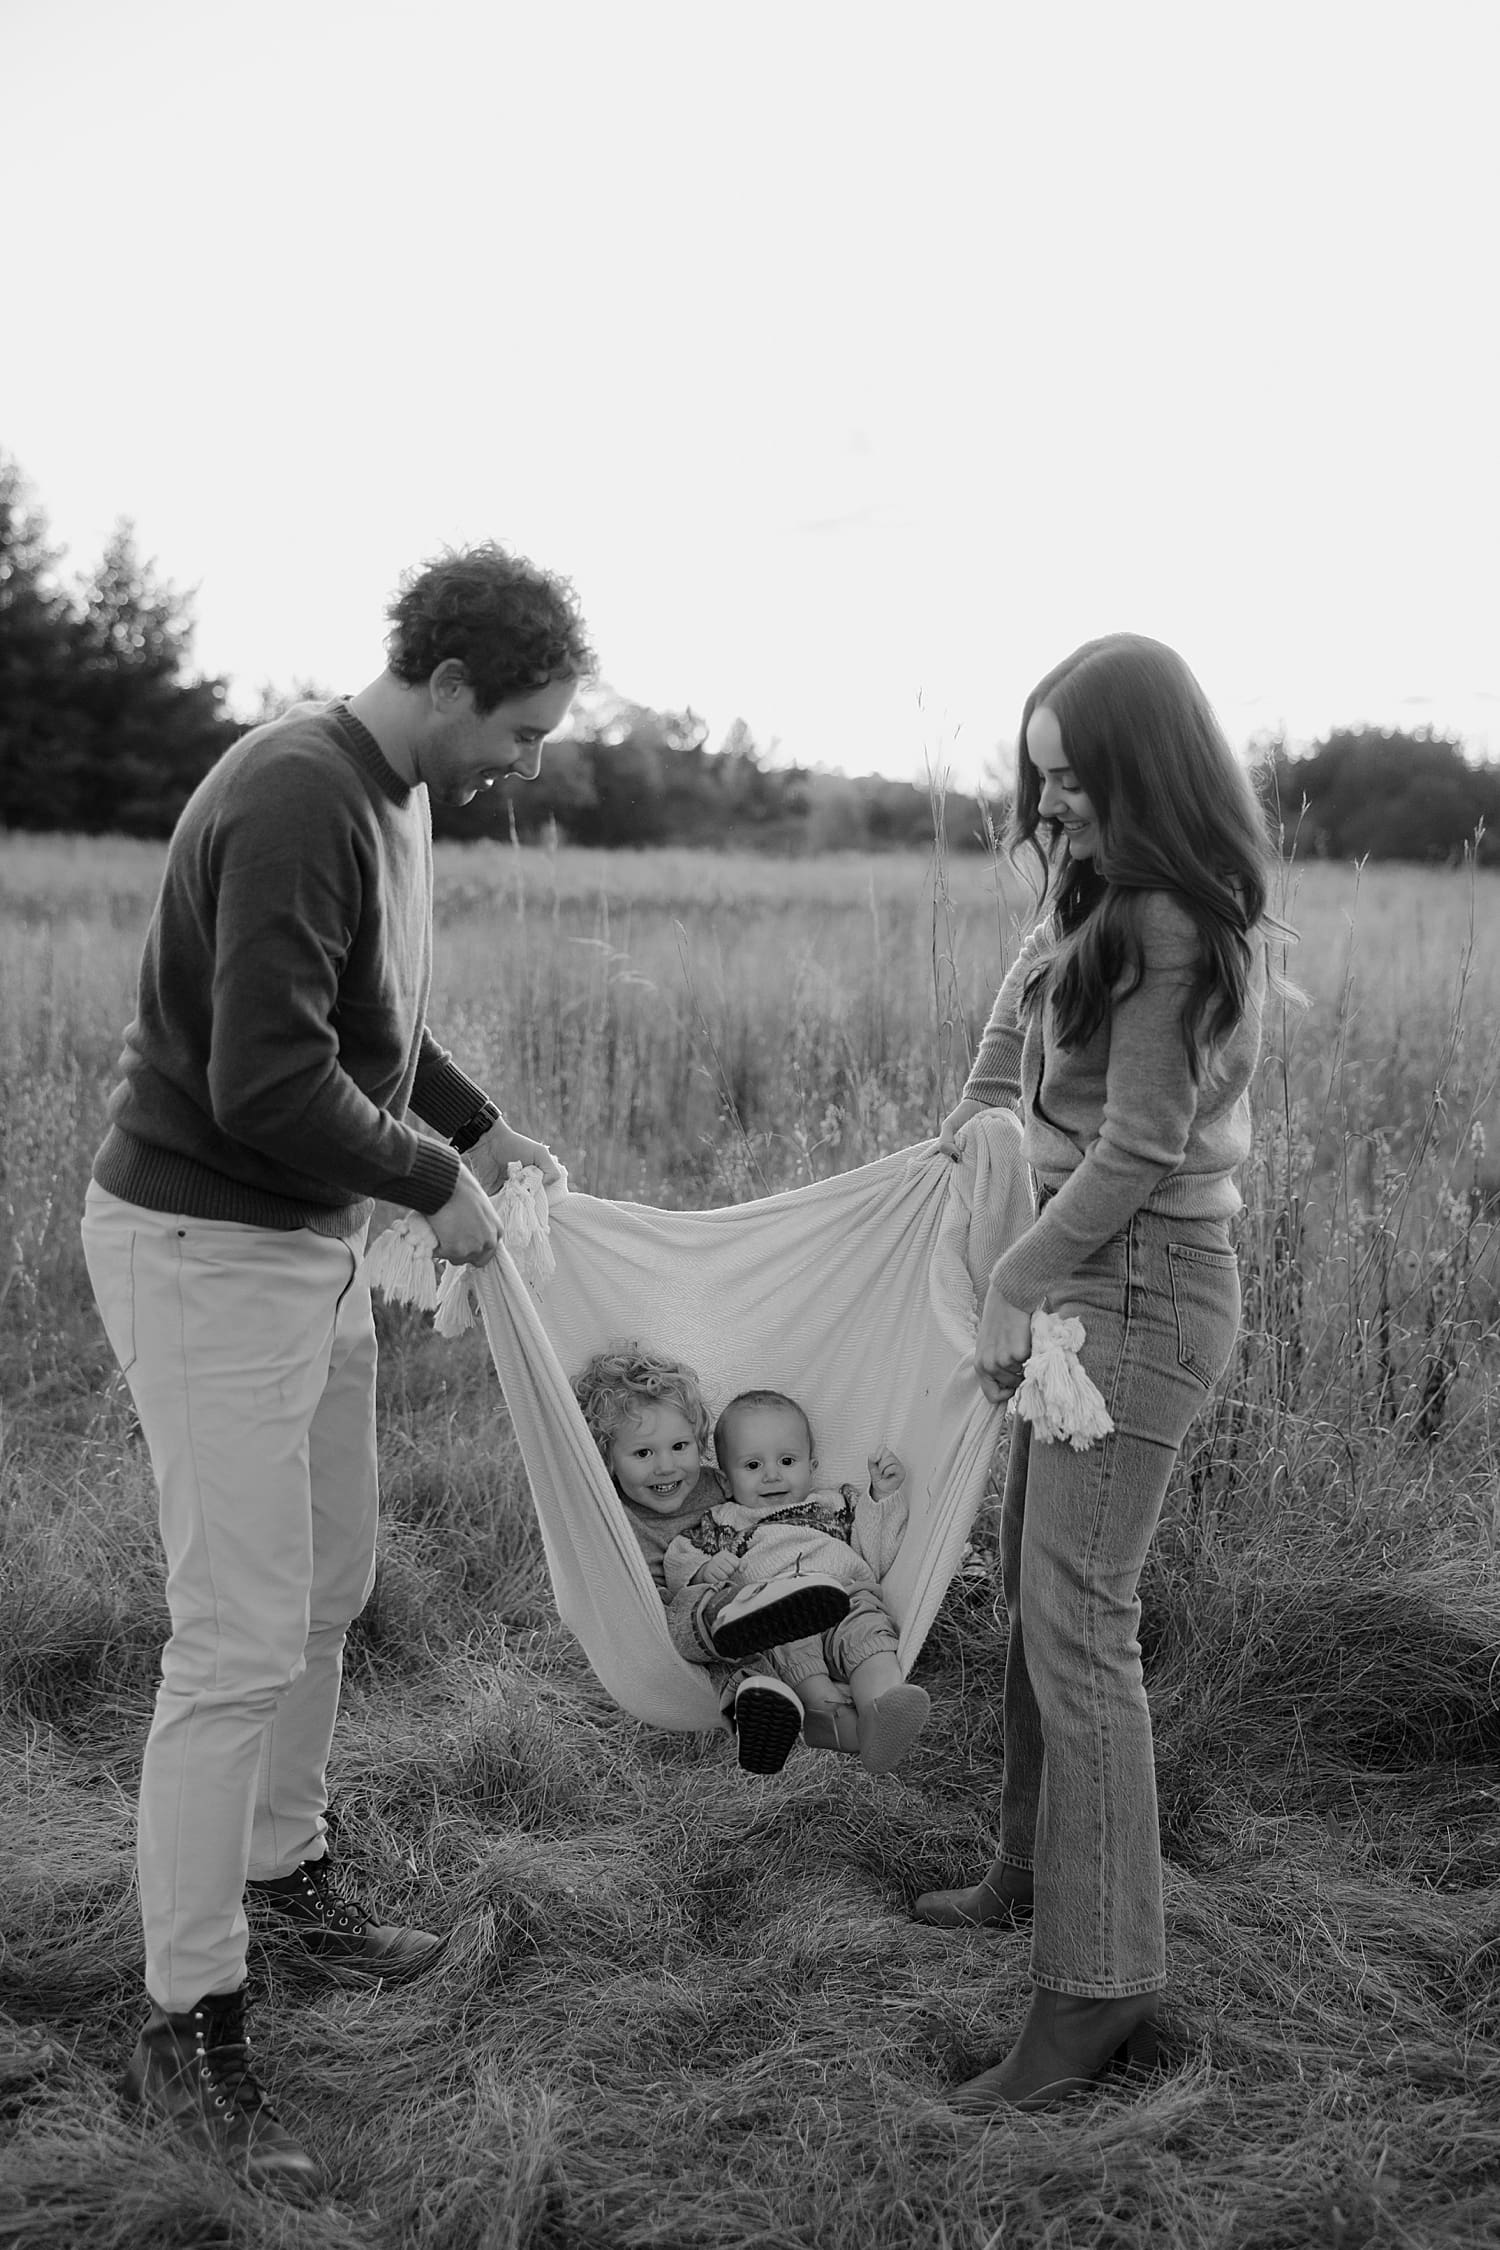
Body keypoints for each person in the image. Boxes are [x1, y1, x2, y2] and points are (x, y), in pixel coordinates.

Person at [80, 543, 594, 2200]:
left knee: (327, 1582)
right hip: (204, 1244)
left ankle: (284, 1879)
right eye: (517, 730)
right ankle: (185, 2024)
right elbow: (261, 1074)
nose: (521, 767)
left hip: (302, 1249)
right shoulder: (304, 790)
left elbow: (363, 1016)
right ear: (446, 683)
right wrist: (438, 1190)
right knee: (233, 1636)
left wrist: (474, 1124)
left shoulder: (399, 795)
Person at [911, 633, 1276, 2115]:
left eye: (1077, 778)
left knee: (1078, 1627)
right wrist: (987, 1097)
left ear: (1149, 773)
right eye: (1036, 776)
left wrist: (1011, 1274)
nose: (1050, 804)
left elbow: (1136, 1147)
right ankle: (1027, 1871)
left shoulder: (1176, 916)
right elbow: (1022, 1023)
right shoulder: (1102, 896)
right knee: (1029, 1594)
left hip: (1133, 1294)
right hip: (1088, 1282)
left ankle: (1102, 1981)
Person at [571, 1346, 854, 1774]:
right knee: (691, 1616)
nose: (666, 1467)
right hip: (665, 1620)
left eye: (680, 1446)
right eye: (643, 1454)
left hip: (750, 1607)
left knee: (744, 1660)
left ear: (700, 1445)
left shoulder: (720, 1485)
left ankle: (755, 1700)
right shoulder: (610, 1512)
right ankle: (743, 1660)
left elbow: (764, 1515)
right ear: (607, 1460)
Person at [688, 1390, 931, 1775]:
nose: (772, 1474)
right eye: (752, 1465)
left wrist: (881, 1497)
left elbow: (877, 1553)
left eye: (787, 1461)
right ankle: (832, 1721)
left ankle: (879, 1712)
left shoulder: (835, 1503)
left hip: (848, 1595)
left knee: (870, 1642)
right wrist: (704, 1572)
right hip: (778, 1607)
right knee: (786, 1640)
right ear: (725, 1478)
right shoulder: (722, 1521)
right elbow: (680, 1561)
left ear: (812, 1465)